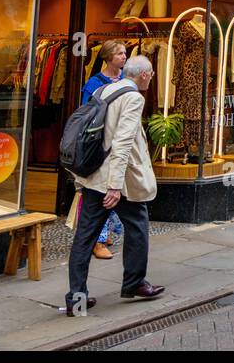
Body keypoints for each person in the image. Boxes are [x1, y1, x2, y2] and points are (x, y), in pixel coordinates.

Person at [65, 55, 164, 316]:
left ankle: (76, 298)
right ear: (143, 75)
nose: (151, 78)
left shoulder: (103, 89)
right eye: (151, 74)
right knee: (138, 227)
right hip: (117, 183)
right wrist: (114, 187)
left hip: (93, 176)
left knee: (84, 237)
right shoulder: (133, 98)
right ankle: (134, 283)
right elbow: (122, 144)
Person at [79, 41, 127, 261]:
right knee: (101, 191)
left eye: (125, 53)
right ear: (108, 57)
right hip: (100, 144)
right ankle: (97, 240)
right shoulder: (94, 83)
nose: (124, 57)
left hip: (120, 141)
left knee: (116, 190)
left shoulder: (126, 79)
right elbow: (85, 114)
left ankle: (106, 234)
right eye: (119, 54)